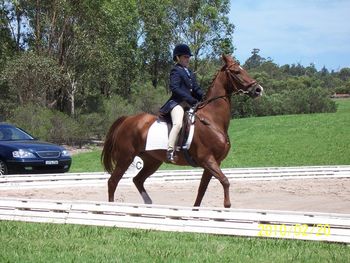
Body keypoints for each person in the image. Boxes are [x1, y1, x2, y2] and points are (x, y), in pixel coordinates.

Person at [159, 44, 204, 162]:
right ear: (178, 58)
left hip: (190, 104)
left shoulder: (189, 72)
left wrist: (205, 97)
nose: (188, 59)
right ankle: (170, 151)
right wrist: (190, 99)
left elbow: (196, 89)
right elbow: (175, 88)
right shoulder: (175, 70)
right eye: (185, 57)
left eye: (189, 57)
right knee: (178, 123)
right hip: (177, 103)